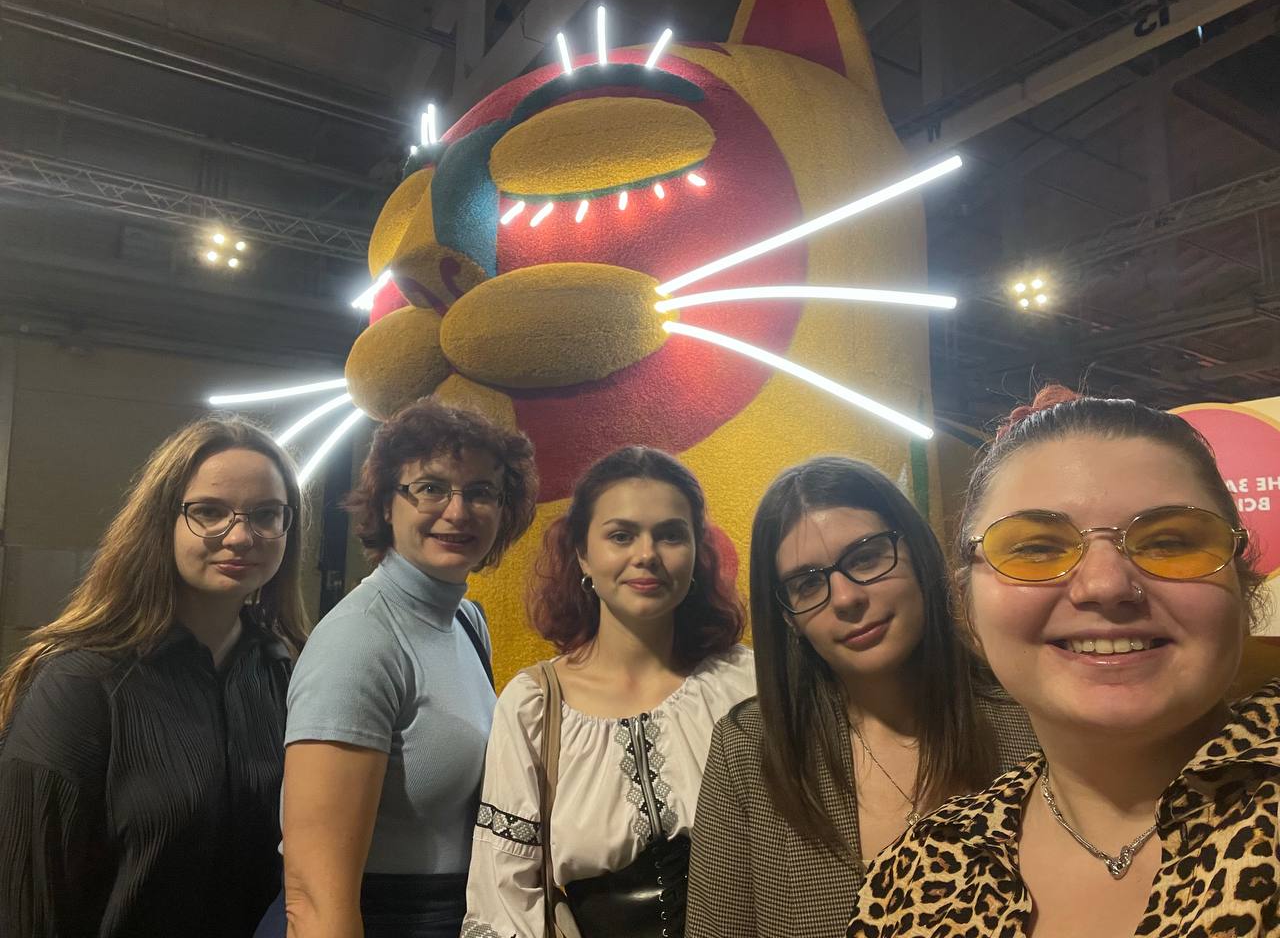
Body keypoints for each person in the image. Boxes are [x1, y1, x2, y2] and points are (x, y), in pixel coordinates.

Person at [846, 387, 1275, 938]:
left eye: (1169, 542)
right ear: (968, 610)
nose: (1105, 585)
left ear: (1243, 585)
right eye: (1036, 549)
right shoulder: (910, 876)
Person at [686, 455, 1040, 937]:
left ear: (917, 552)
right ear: (788, 617)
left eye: (866, 558)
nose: (846, 598)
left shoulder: (1031, 717)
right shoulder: (750, 749)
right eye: (808, 583)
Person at [0, 416, 307, 938]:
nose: (240, 536)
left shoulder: (287, 673)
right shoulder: (81, 681)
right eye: (208, 511)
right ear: (161, 521)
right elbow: (26, 907)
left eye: (266, 514)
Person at [462, 446, 754, 938]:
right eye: (621, 535)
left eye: (671, 535)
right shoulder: (535, 705)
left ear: (696, 552)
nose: (646, 555)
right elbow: (505, 893)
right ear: (583, 553)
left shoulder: (744, 684)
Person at [278, 399, 537, 938]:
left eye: (481, 491)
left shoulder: (466, 621)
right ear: (385, 503)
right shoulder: (359, 640)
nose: (458, 512)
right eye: (430, 487)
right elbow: (312, 900)